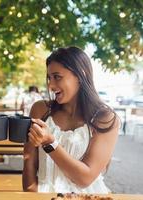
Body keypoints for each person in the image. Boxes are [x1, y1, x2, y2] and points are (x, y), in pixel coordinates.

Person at [23, 46, 119, 193]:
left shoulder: (105, 119)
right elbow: (29, 162)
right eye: (49, 78)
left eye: (57, 77)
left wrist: (50, 143)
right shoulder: (40, 110)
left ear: (81, 75)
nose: (50, 85)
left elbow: (85, 178)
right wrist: (33, 194)